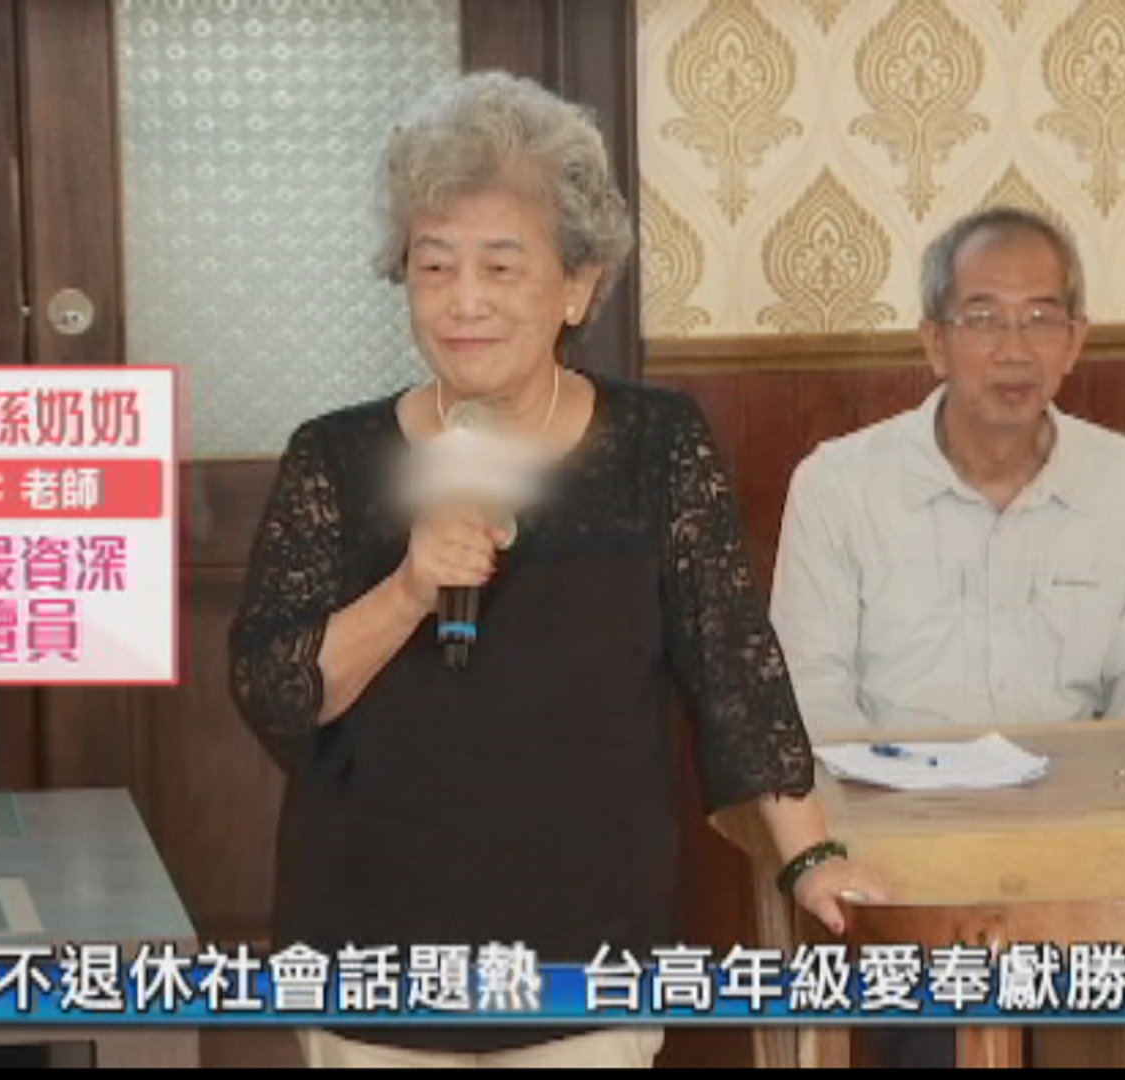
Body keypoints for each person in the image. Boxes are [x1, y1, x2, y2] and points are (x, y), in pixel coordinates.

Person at [228, 71, 888, 1069]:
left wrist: (812, 856)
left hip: (587, 946)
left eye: (501, 266)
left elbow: (734, 670)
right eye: (434, 266)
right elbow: (276, 690)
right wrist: (409, 587)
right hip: (373, 943)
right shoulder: (334, 457)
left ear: (578, 284)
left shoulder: (658, 444)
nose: (464, 301)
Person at [770, 207, 1125, 738]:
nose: (1014, 351)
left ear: (1073, 342)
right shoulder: (835, 489)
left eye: (1040, 320)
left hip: (1078, 790)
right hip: (888, 790)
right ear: (935, 343)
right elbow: (811, 702)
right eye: (982, 319)